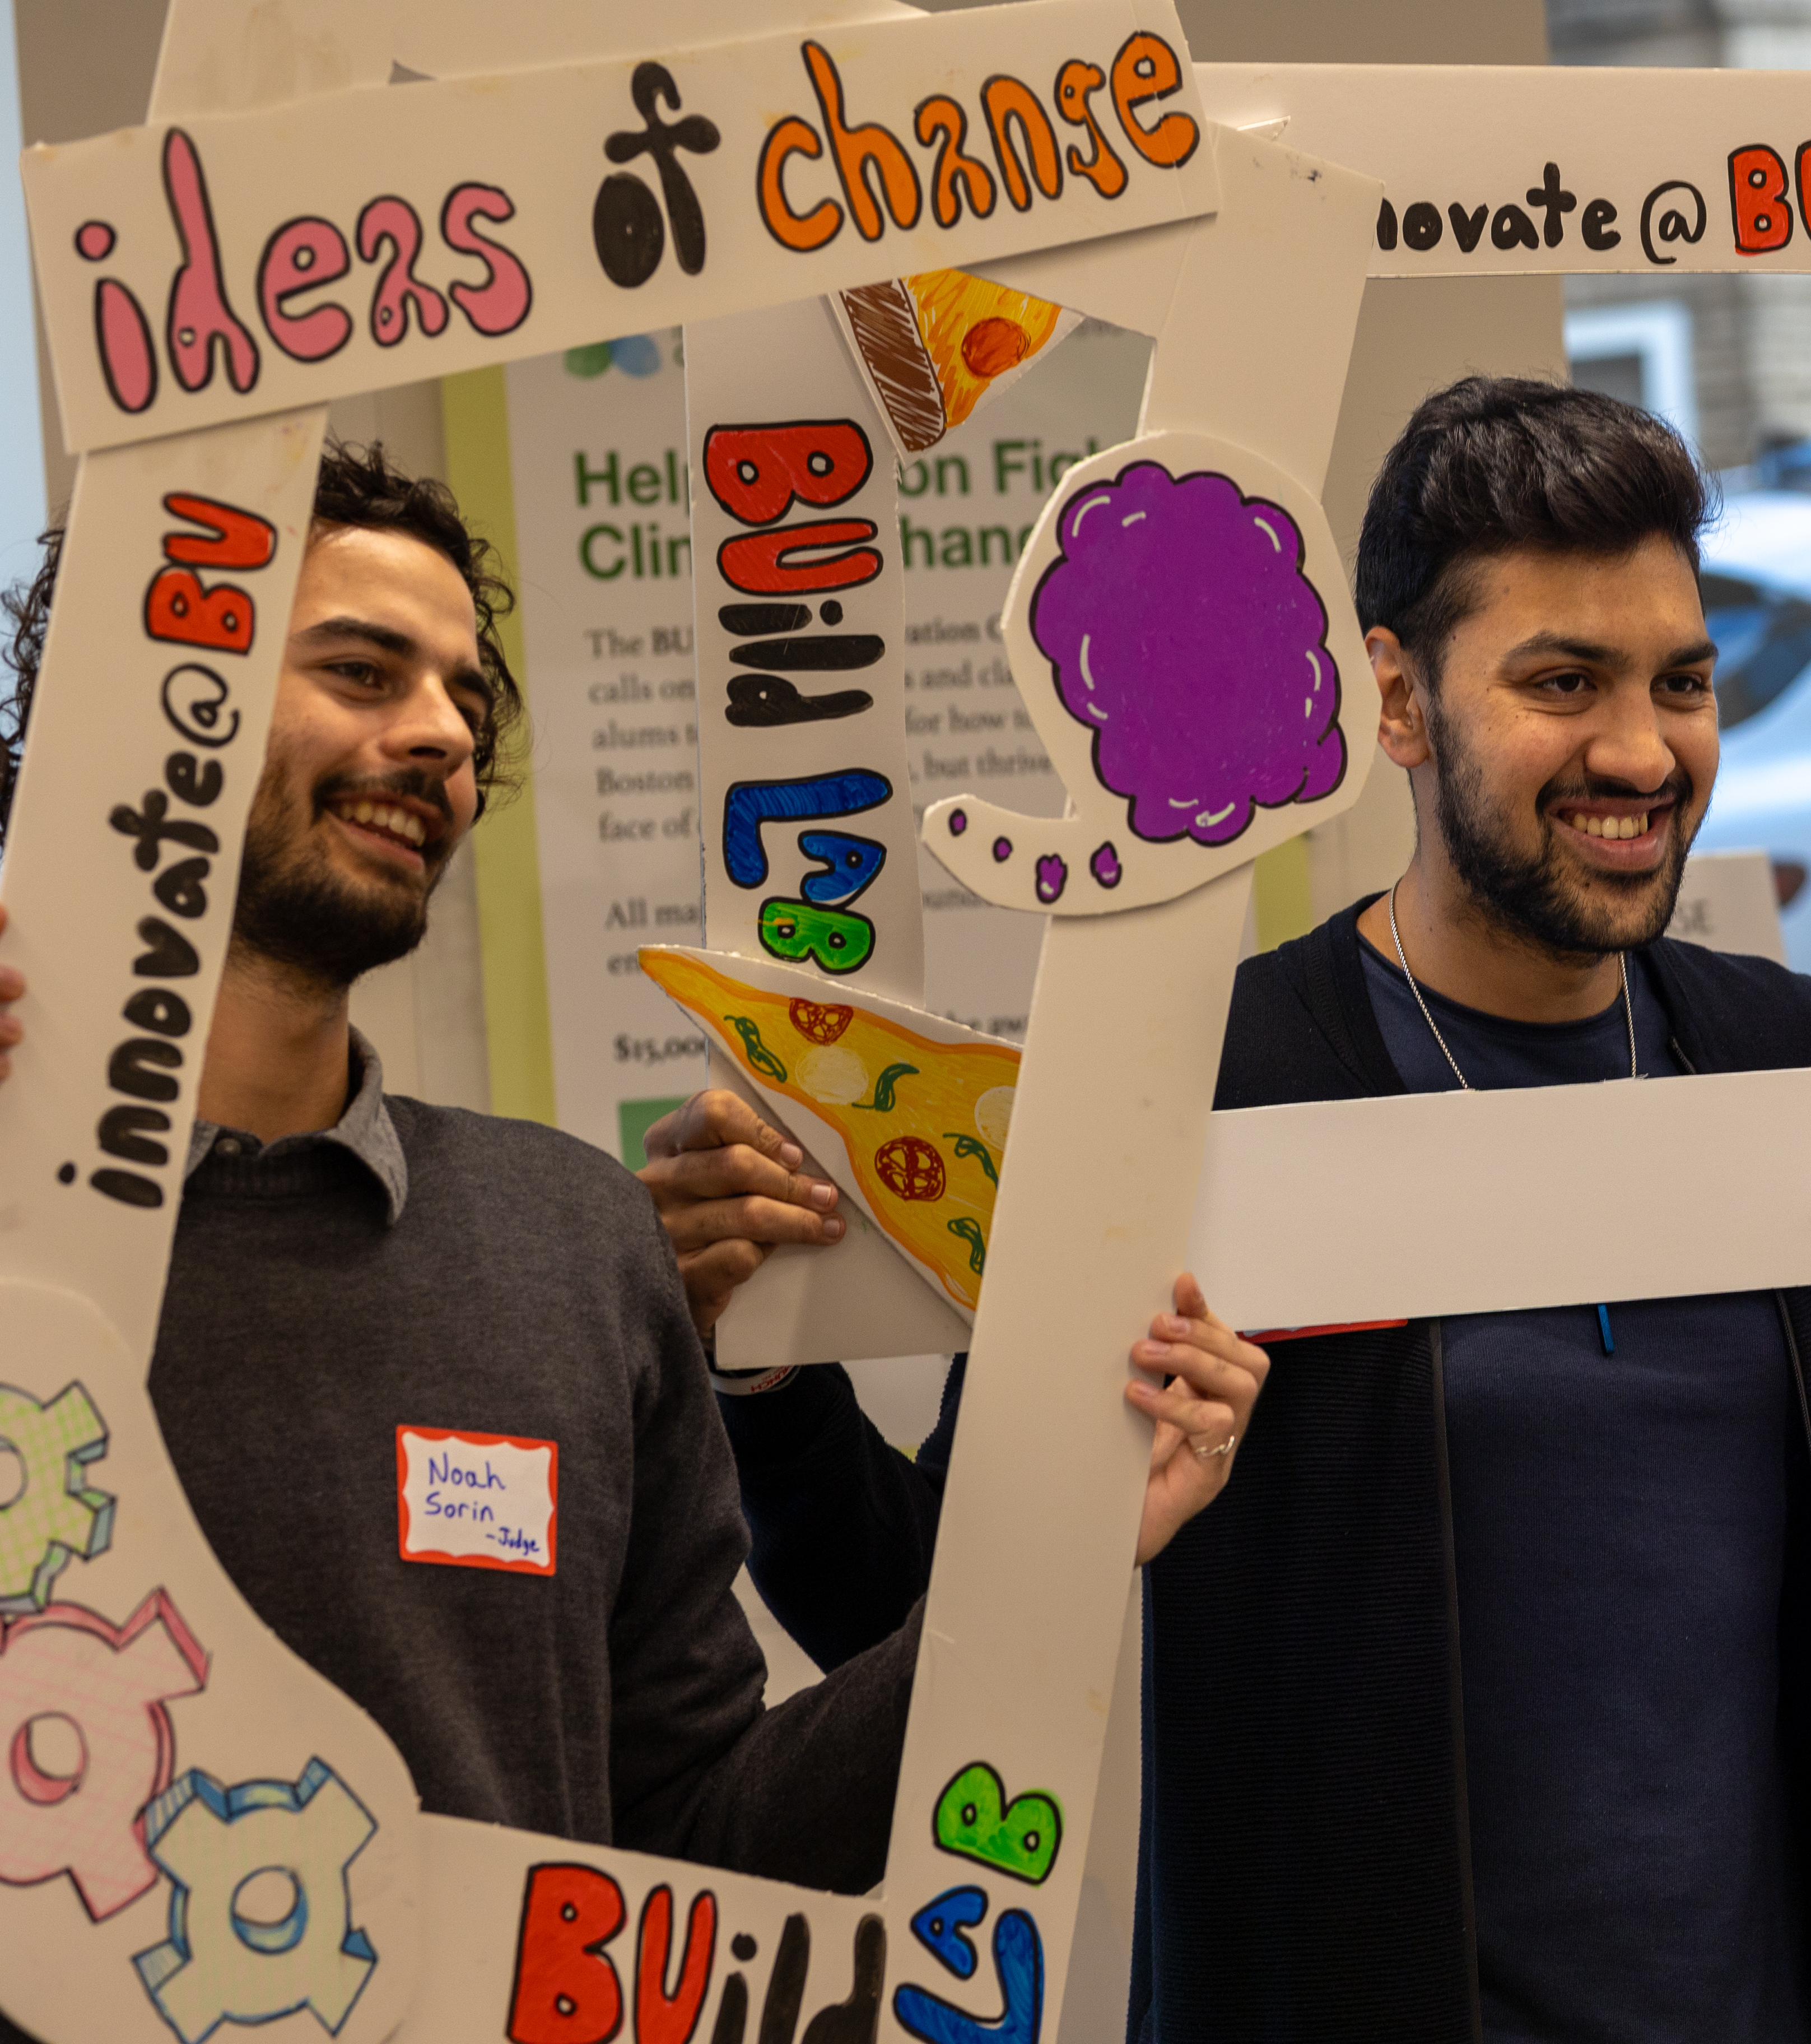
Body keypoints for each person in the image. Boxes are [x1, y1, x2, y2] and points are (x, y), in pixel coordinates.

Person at [658, 377, 1811, 2042]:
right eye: (1564, 680)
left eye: (1682, 681)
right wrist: (771, 1373)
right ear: (1397, 700)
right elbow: (919, 1611)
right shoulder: (1210, 1080)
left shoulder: (1770, 1044)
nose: (1642, 748)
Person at [0, 447, 1264, 1975]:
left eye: (464, 701)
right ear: (145, 702)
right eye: (358, 669)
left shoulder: (568, 1245)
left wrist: (1067, 1550)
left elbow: (700, 1839)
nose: (438, 739)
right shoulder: (23, 1234)